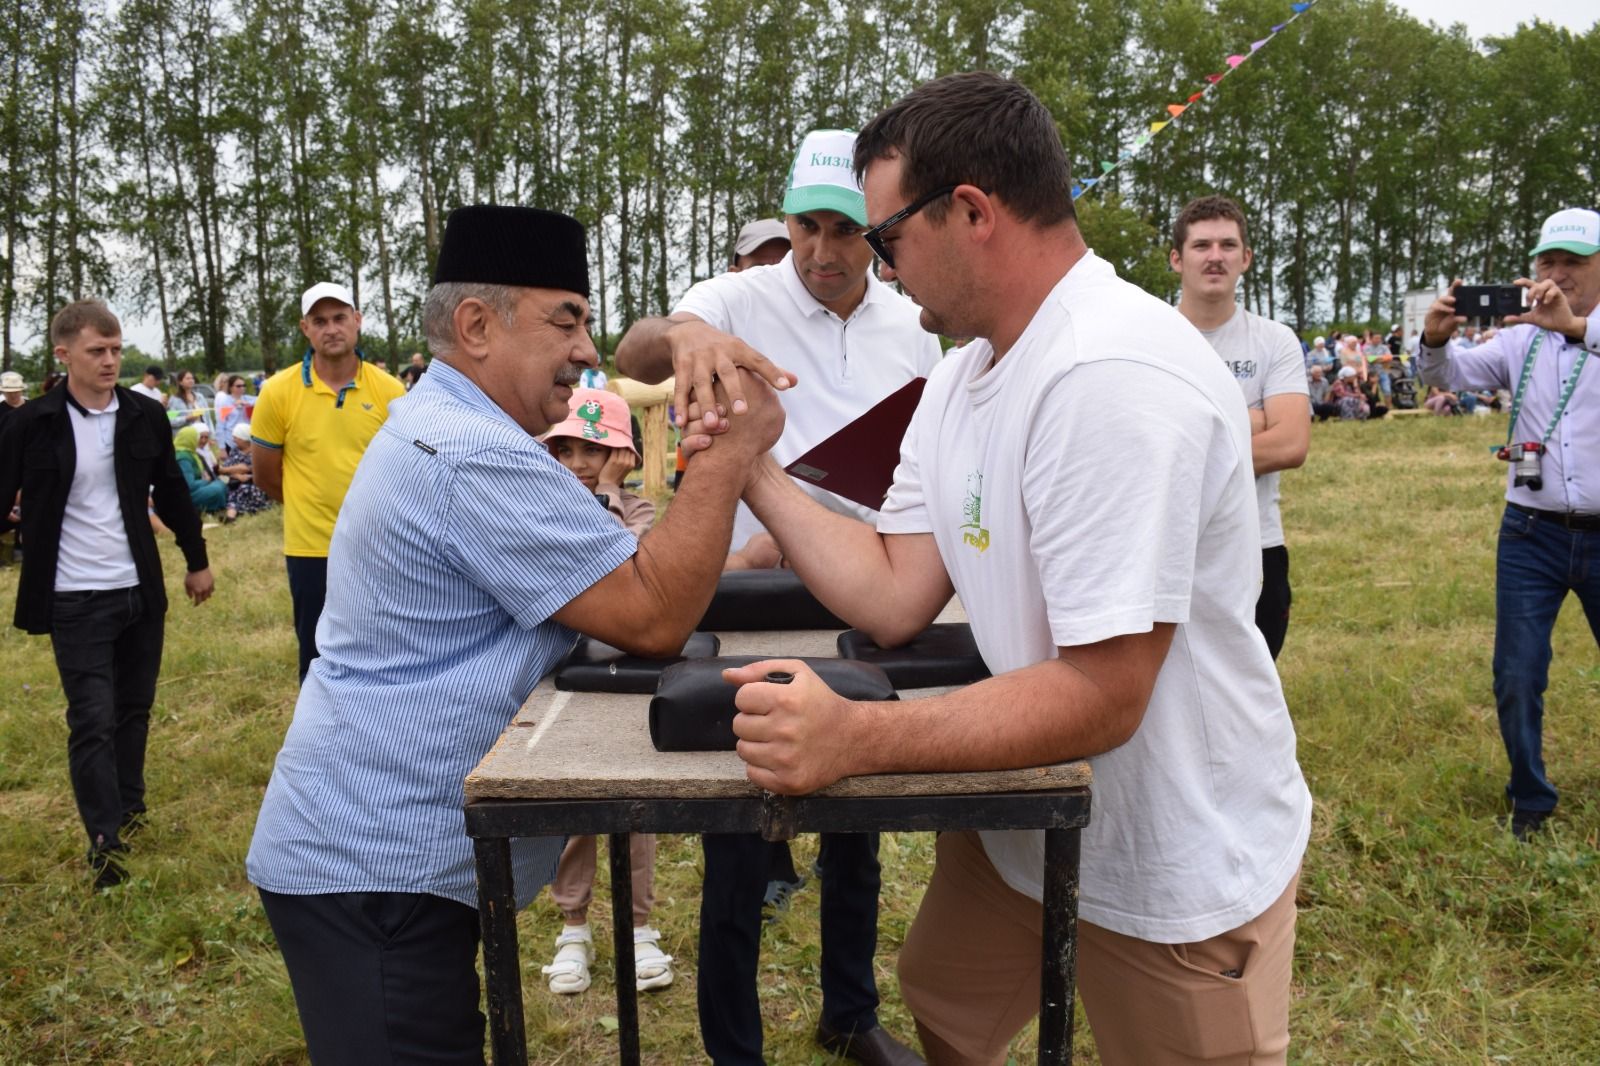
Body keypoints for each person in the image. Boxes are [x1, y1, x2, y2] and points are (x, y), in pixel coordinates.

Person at [705, 72, 1309, 1065]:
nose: (883, 271)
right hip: (1022, 823)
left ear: (971, 211)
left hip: (1167, 851)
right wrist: (753, 469)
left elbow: (1104, 693)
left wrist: (857, 737)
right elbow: (896, 591)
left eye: (889, 238)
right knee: (945, 997)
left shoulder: (1109, 377)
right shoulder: (962, 375)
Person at [246, 205, 783, 1065]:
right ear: (476, 324)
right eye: (565, 319)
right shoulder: (469, 452)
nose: (584, 348)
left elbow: (623, 573)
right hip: (376, 874)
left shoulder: (474, 434)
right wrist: (726, 456)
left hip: (388, 860)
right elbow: (649, 613)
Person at [617, 127, 939, 1066]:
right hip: (748, 593)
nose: (822, 252)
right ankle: (733, 1045)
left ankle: (851, 1008)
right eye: (806, 227)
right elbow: (638, 354)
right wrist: (686, 335)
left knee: (855, 817)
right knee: (737, 822)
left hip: (865, 592)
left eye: (846, 232)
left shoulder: (910, 322)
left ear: (877, 238)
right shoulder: (735, 298)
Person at [0, 299, 213, 890]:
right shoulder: (31, 422)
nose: (110, 360)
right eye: (98, 351)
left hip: (138, 590)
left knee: (134, 708)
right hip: (73, 596)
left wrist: (196, 560)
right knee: (90, 719)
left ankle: (130, 806)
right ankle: (104, 844)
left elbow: (171, 492)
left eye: (117, 350)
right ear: (63, 354)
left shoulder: (144, 416)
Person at [1417, 206, 1600, 841]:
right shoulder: (1520, 339)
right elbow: (1447, 376)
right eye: (1548, 263)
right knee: (1517, 671)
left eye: (1573, 263)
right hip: (1532, 530)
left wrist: (1576, 329)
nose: (1558, 275)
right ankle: (1530, 798)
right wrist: (1437, 336)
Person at [536, 387, 673, 995]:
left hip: (623, 682)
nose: (578, 462)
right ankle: (573, 926)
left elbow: (625, 563)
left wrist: (608, 494)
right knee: (572, 810)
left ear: (622, 456)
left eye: (595, 448)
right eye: (564, 449)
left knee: (631, 808)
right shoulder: (540, 509)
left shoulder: (638, 511)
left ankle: (639, 925)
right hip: (566, 683)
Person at [1171, 195, 1310, 661]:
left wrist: (1189, 438)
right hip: (1169, 544)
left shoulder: (1274, 340)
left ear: (1246, 258)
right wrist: (1249, 418)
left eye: (1228, 245)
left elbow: (1290, 443)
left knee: (1253, 693)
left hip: (1258, 546)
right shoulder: (1150, 337)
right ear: (1177, 258)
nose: (1216, 256)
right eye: (1201, 245)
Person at [250, 282, 406, 681]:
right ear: (305, 328)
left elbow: (405, 470)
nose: (331, 328)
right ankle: (321, 741)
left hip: (377, 545)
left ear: (357, 320)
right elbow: (266, 475)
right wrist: (310, 507)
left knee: (385, 649)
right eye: (320, 321)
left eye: (339, 318)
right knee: (317, 655)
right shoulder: (277, 392)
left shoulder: (390, 391)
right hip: (311, 550)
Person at [173, 424, 232, 519]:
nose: (201, 441)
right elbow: (189, 485)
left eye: (206, 437)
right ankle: (210, 509)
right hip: (185, 496)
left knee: (220, 485)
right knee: (217, 489)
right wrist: (206, 481)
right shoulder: (183, 458)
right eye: (198, 437)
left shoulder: (189, 453)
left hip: (193, 490)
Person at [219, 422, 272, 516]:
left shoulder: (257, 451)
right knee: (232, 490)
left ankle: (232, 513)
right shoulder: (235, 450)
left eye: (236, 438)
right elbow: (224, 469)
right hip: (235, 483)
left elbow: (252, 470)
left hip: (255, 483)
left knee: (245, 489)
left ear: (244, 439)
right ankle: (231, 515)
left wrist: (241, 474)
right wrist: (237, 475)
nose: (233, 440)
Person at [165, 369, 210, 434]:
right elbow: (170, 420)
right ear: (180, 382)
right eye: (187, 378)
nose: (191, 380)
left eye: (192, 378)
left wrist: (211, 435)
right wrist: (186, 418)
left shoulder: (200, 397)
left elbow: (208, 418)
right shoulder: (175, 400)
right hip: (185, 437)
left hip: (202, 436)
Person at [216, 374, 253, 446]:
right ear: (230, 387)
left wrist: (247, 403)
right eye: (238, 386)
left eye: (244, 385)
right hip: (231, 441)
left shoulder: (247, 398)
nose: (242, 388)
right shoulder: (225, 401)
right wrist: (222, 448)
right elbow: (220, 425)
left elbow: (262, 400)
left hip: (247, 440)